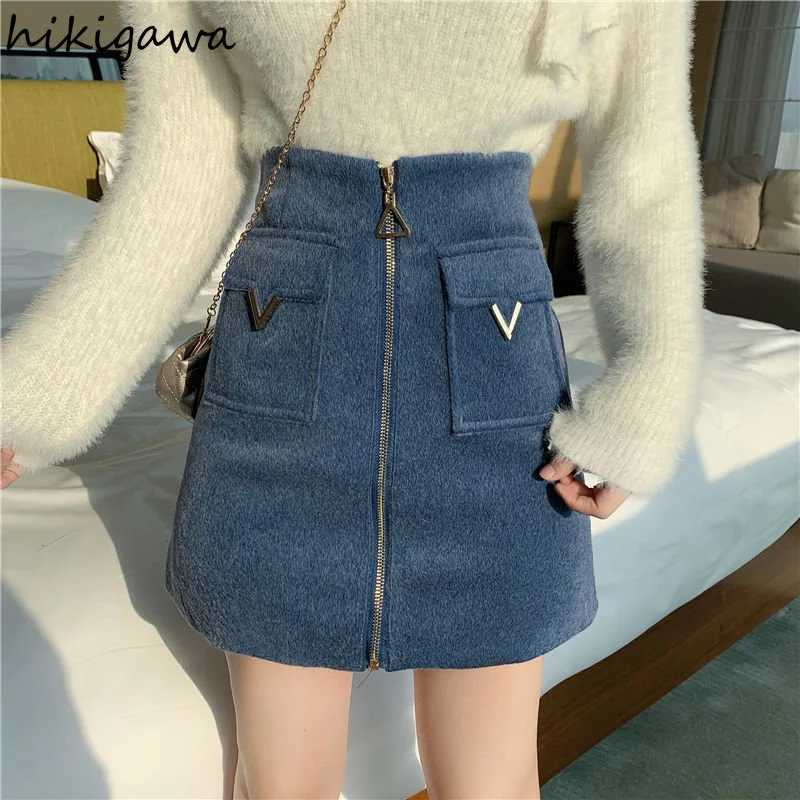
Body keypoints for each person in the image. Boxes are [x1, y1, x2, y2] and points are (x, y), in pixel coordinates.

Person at [0, 1, 705, 797]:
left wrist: (646, 397)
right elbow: (178, 173)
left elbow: (643, 169)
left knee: (492, 784)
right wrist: (30, 400)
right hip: (278, 361)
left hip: (495, 378)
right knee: (283, 786)